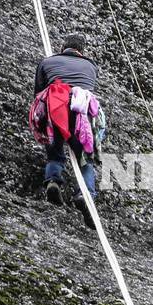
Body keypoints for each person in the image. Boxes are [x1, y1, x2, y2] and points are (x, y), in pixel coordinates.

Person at [31, 33, 105, 219]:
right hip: (81, 111)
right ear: (81, 51)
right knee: (84, 158)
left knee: (55, 151)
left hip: (54, 108)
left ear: (63, 48)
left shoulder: (46, 63)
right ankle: (85, 194)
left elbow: (38, 91)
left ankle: (53, 181)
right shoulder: (90, 65)